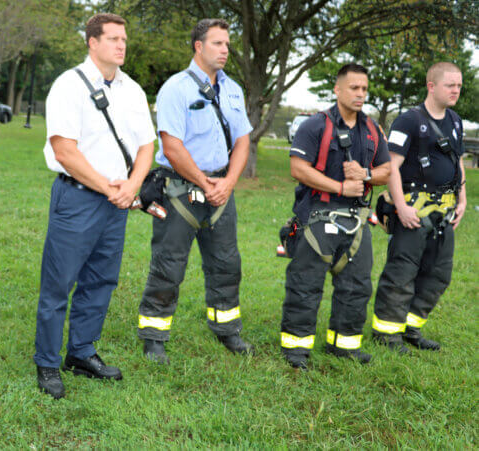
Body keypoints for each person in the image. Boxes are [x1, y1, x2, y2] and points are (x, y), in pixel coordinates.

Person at [35, 13, 155, 399]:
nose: (122, 45)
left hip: (117, 201)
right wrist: (109, 187)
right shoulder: (69, 86)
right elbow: (64, 151)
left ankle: (82, 353)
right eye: (114, 38)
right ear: (93, 42)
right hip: (78, 198)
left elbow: (146, 146)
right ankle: (48, 363)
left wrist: (133, 185)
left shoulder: (132, 89)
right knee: (59, 283)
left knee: (101, 280)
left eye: (125, 39)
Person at [137, 19, 254, 365]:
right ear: (198, 46)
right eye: (217, 43)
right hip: (181, 192)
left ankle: (226, 329)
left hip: (222, 190)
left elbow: (244, 139)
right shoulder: (176, 89)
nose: (225, 50)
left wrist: (229, 182)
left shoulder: (233, 89)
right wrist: (206, 184)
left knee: (226, 264)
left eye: (228, 45)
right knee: (168, 265)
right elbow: (171, 146)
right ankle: (154, 336)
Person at [280, 63, 391, 370]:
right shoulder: (315, 125)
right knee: (305, 284)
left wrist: (366, 174)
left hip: (356, 221)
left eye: (364, 89)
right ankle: (296, 349)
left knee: (356, 286)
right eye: (354, 88)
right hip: (318, 217)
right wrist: (341, 186)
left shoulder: (371, 129)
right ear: (337, 89)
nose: (360, 94)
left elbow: (386, 169)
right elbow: (298, 169)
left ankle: (344, 345)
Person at [372, 62, 466, 353]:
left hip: (444, 214)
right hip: (413, 211)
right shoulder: (408, 121)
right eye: (450, 85)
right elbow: (392, 167)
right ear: (431, 86)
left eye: (459, 86)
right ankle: (387, 335)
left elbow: (457, 162)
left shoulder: (456, 121)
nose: (456, 90)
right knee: (401, 273)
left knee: (438, 274)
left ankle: (411, 329)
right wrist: (400, 206)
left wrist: (462, 200)